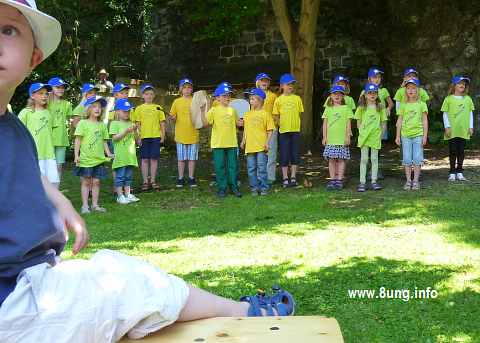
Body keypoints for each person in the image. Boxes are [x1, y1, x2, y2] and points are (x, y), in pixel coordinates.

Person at [0, 5, 293, 342]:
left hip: (33, 281)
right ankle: (242, 312)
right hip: (13, 305)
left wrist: (62, 203)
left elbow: (25, 171)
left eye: (9, 30)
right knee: (133, 286)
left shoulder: (12, 126)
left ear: (33, 58)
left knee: (118, 272)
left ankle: (236, 310)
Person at [201, 84, 242, 198]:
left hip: (232, 143)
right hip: (218, 144)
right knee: (220, 167)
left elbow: (238, 123)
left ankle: (234, 187)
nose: (227, 98)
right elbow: (206, 123)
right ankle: (222, 188)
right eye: (224, 96)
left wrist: (241, 122)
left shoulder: (232, 110)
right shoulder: (213, 110)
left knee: (233, 166)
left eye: (228, 95)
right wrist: (202, 110)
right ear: (217, 98)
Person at [73, 96, 113, 213]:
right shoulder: (82, 123)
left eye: (100, 107)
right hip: (86, 159)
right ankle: (85, 206)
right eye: (94, 106)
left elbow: (104, 141)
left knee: (96, 182)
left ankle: (95, 205)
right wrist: (76, 155)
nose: (97, 109)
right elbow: (78, 140)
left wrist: (109, 153)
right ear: (88, 109)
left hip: (99, 159)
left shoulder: (102, 125)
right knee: (86, 182)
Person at [18, 82, 59, 186]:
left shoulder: (48, 113)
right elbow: (18, 133)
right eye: (41, 93)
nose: (44, 96)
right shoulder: (26, 112)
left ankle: (50, 203)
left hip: (49, 154)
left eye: (46, 94)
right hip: (34, 155)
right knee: (36, 183)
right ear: (32, 95)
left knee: (54, 183)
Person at [395, 78, 429, 190]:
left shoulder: (422, 104)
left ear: (418, 90)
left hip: (418, 135)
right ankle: (408, 181)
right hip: (405, 136)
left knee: (418, 158)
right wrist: (397, 136)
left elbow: (425, 121)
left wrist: (424, 136)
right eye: (408, 88)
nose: (411, 90)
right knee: (407, 159)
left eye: (413, 88)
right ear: (405, 90)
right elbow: (399, 121)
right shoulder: (403, 105)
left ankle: (416, 181)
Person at [240, 88, 275, 196]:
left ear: (260, 100)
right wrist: (243, 141)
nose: (251, 101)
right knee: (251, 168)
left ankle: (264, 188)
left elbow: (270, 130)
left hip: (261, 146)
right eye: (250, 99)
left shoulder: (265, 114)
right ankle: (254, 188)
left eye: (253, 99)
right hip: (250, 147)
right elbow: (246, 129)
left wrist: (267, 143)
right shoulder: (247, 114)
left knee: (262, 168)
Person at [131, 84, 166, 191]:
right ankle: (145, 181)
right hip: (144, 137)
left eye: (151, 94)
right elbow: (137, 124)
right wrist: (138, 137)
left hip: (155, 136)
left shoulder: (158, 108)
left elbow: (162, 123)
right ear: (142, 96)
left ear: (154, 95)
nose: (149, 96)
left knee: (154, 159)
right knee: (145, 159)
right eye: (146, 94)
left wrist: (163, 135)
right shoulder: (139, 109)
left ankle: (153, 180)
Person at [272, 73, 304, 188]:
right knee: (284, 155)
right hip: (284, 132)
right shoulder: (278, 100)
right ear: (282, 86)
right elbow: (275, 115)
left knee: (295, 154)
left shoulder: (297, 98)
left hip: (295, 131)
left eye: (292, 84)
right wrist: (280, 123)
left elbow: (299, 113)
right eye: (288, 84)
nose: (290, 86)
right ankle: (285, 178)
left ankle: (294, 177)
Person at [441, 76, 475, 181]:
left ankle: (459, 171)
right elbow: (445, 114)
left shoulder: (468, 99)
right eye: (459, 83)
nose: (462, 85)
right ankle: (452, 172)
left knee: (461, 151)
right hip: (452, 130)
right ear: (454, 85)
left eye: (464, 84)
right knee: (452, 151)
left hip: (463, 130)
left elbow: (470, 114)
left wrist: (471, 126)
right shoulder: (448, 99)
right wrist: (447, 126)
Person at [355, 84, 388, 192]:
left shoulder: (380, 107)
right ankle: (362, 182)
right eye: (370, 93)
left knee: (374, 159)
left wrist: (381, 134)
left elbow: (383, 123)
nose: (372, 95)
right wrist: (361, 131)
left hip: (375, 137)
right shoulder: (361, 107)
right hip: (364, 137)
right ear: (365, 95)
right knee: (364, 159)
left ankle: (374, 181)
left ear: (377, 94)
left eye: (374, 93)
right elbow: (358, 121)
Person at [322, 85, 354, 190]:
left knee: (341, 160)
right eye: (334, 94)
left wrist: (348, 136)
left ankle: (339, 180)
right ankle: (332, 180)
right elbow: (325, 124)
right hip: (331, 140)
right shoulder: (328, 109)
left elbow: (348, 124)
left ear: (343, 96)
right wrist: (324, 137)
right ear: (330, 96)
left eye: (339, 94)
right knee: (331, 160)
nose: (337, 96)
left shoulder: (346, 108)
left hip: (341, 139)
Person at [170, 78, 200, 188]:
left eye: (189, 87)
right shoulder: (176, 102)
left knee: (192, 159)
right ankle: (180, 178)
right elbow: (172, 117)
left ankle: (191, 178)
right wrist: (172, 118)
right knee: (181, 159)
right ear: (180, 89)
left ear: (192, 89)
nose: (187, 90)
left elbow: (200, 116)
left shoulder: (195, 101)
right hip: (180, 135)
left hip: (193, 134)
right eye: (185, 87)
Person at [110, 98, 140, 204]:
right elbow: (114, 138)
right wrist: (126, 131)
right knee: (120, 177)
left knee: (128, 176)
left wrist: (136, 131)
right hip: (120, 156)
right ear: (117, 111)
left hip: (130, 156)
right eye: (124, 111)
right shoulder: (114, 124)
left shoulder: (131, 123)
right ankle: (120, 196)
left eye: (128, 111)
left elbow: (138, 141)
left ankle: (128, 194)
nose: (127, 113)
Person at [47, 76, 73, 182]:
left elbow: (71, 121)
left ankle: (56, 191)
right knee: (48, 167)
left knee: (59, 167)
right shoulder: (45, 103)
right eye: (57, 87)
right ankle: (46, 193)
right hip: (47, 139)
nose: (61, 89)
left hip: (62, 139)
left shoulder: (67, 104)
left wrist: (71, 133)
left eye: (62, 87)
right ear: (50, 88)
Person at [255, 73, 278, 184]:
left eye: (267, 80)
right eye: (262, 80)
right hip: (257, 129)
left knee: (271, 152)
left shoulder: (273, 96)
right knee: (258, 153)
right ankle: (259, 176)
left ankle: (270, 177)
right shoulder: (254, 95)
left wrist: (276, 123)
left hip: (271, 128)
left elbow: (276, 112)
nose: (265, 82)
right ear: (257, 82)